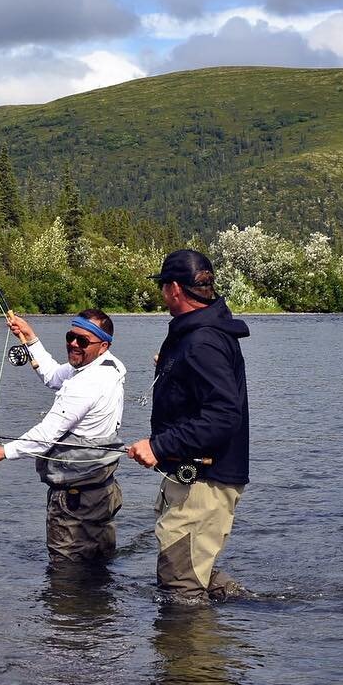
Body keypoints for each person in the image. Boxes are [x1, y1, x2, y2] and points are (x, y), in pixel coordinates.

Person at [126, 249, 250, 603]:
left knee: (179, 584)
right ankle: (240, 630)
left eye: (163, 287)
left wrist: (158, 446)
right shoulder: (198, 337)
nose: (162, 295)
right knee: (196, 571)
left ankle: (194, 658)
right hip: (195, 478)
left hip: (205, 482)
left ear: (176, 289)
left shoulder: (203, 342)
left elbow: (224, 415)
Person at [0, 309, 126, 562]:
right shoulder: (109, 365)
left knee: (65, 571)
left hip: (76, 498)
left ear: (103, 345)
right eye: (71, 336)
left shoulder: (86, 384)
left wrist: (4, 452)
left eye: (82, 341)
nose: (72, 343)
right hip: (102, 489)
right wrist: (31, 337)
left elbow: (47, 434)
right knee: (100, 563)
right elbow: (53, 376)